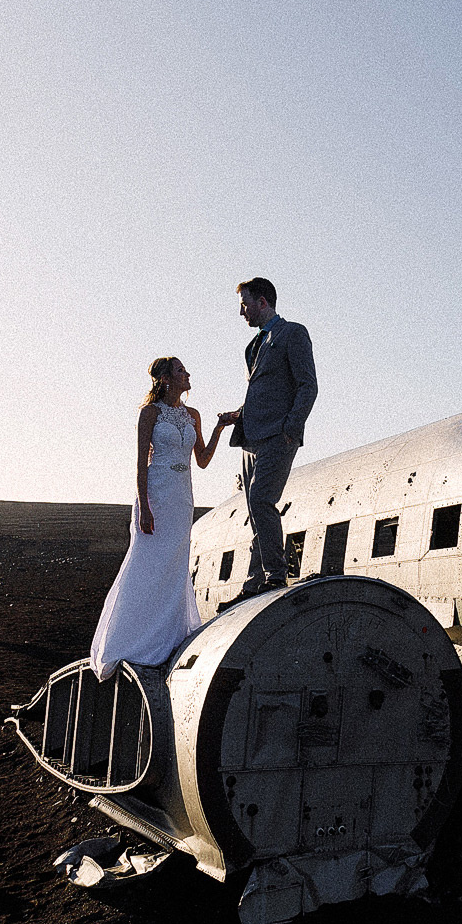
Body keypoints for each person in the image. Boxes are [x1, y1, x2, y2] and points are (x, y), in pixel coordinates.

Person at [89, 358, 233, 679]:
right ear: (167, 378)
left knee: (174, 564)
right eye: (182, 371)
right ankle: (130, 640)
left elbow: (204, 460)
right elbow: (141, 463)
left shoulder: (192, 415)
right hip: (156, 494)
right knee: (146, 564)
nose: (188, 374)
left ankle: (167, 639)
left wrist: (219, 427)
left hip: (182, 499)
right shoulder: (150, 414)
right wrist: (144, 505)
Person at [218, 277, 317, 603]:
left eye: (244, 303)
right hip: (250, 438)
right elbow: (265, 392)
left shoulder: (293, 333)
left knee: (262, 501)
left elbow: (307, 385)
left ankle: (276, 577)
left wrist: (292, 428)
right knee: (255, 510)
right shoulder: (253, 346)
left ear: (262, 302)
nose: (241, 311)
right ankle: (252, 586)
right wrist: (238, 414)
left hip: (278, 435)